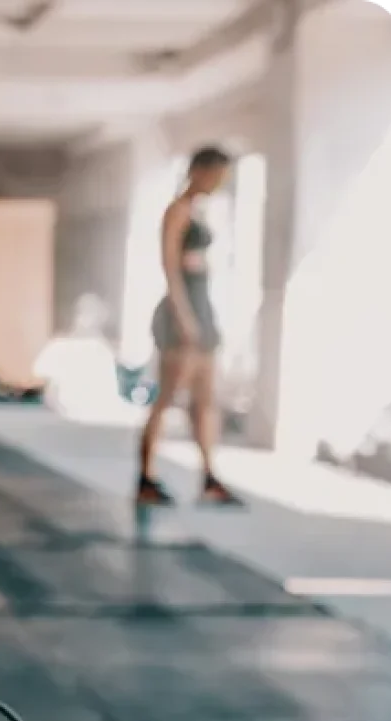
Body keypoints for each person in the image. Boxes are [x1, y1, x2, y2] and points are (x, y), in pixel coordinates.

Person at [137, 146, 244, 507]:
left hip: (202, 305)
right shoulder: (178, 211)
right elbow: (169, 265)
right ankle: (146, 477)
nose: (218, 183)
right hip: (183, 309)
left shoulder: (199, 212)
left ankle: (210, 476)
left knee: (205, 399)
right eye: (216, 175)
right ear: (199, 170)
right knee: (167, 396)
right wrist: (183, 316)